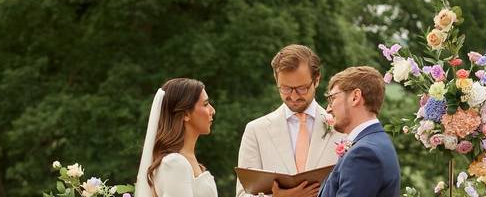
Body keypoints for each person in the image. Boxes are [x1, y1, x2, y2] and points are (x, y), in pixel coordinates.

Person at [236, 45, 345, 197]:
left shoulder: (343, 127)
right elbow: (242, 194)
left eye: (302, 88)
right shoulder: (256, 130)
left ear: (317, 79)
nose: (293, 97)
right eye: (285, 89)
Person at [316, 66, 400, 197]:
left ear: (355, 97)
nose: (328, 109)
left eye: (332, 98)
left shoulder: (364, 153)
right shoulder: (375, 142)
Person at [135, 78, 218, 197]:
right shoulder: (174, 163)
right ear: (185, 114)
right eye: (205, 104)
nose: (212, 110)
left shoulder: (186, 161)